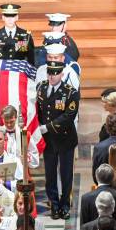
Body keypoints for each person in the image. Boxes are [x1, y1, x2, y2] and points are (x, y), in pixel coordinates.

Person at [37, 60, 79, 219]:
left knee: (66, 174)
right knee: (50, 174)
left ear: (62, 74)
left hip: (65, 139)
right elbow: (39, 110)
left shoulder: (70, 92)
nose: (52, 76)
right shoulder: (41, 88)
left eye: (55, 73)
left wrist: (47, 127)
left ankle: (65, 205)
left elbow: (68, 116)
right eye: (49, 73)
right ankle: (54, 204)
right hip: (48, 141)